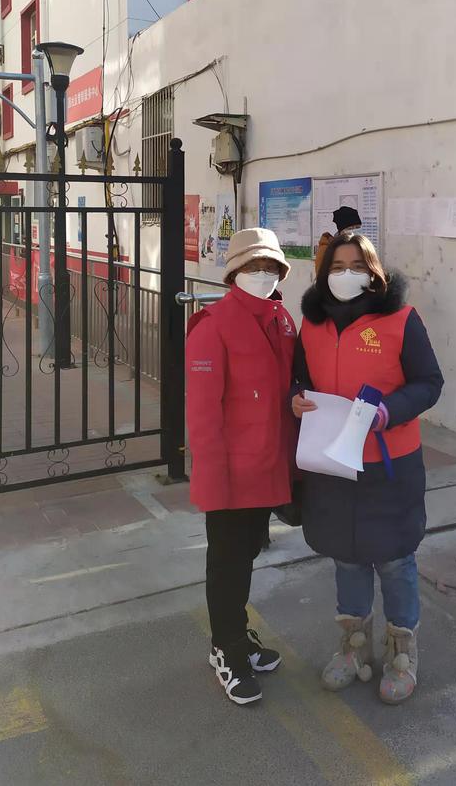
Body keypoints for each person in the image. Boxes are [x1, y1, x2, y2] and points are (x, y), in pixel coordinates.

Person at [292, 233, 443, 704]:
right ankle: (353, 646)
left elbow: (429, 383)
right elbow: (299, 379)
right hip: (332, 462)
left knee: (395, 558)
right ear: (325, 274)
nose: (346, 274)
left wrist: (388, 412)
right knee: (347, 555)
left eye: (357, 265)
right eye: (337, 266)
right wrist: (295, 398)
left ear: (374, 271)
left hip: (389, 465)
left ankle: (402, 652)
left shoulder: (401, 319)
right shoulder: (312, 323)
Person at [186, 228, 297, 706]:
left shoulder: (281, 319)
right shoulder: (212, 325)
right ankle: (224, 648)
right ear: (234, 272)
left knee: (247, 554)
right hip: (230, 473)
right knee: (226, 562)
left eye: (271, 267)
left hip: (267, 467)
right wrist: (212, 479)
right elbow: (203, 414)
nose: (263, 274)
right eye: (254, 266)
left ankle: (238, 633)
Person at [314, 205, 362, 274]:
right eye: (350, 228)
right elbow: (321, 274)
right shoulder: (326, 248)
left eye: (357, 228)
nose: (354, 231)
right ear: (341, 230)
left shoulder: (360, 246)